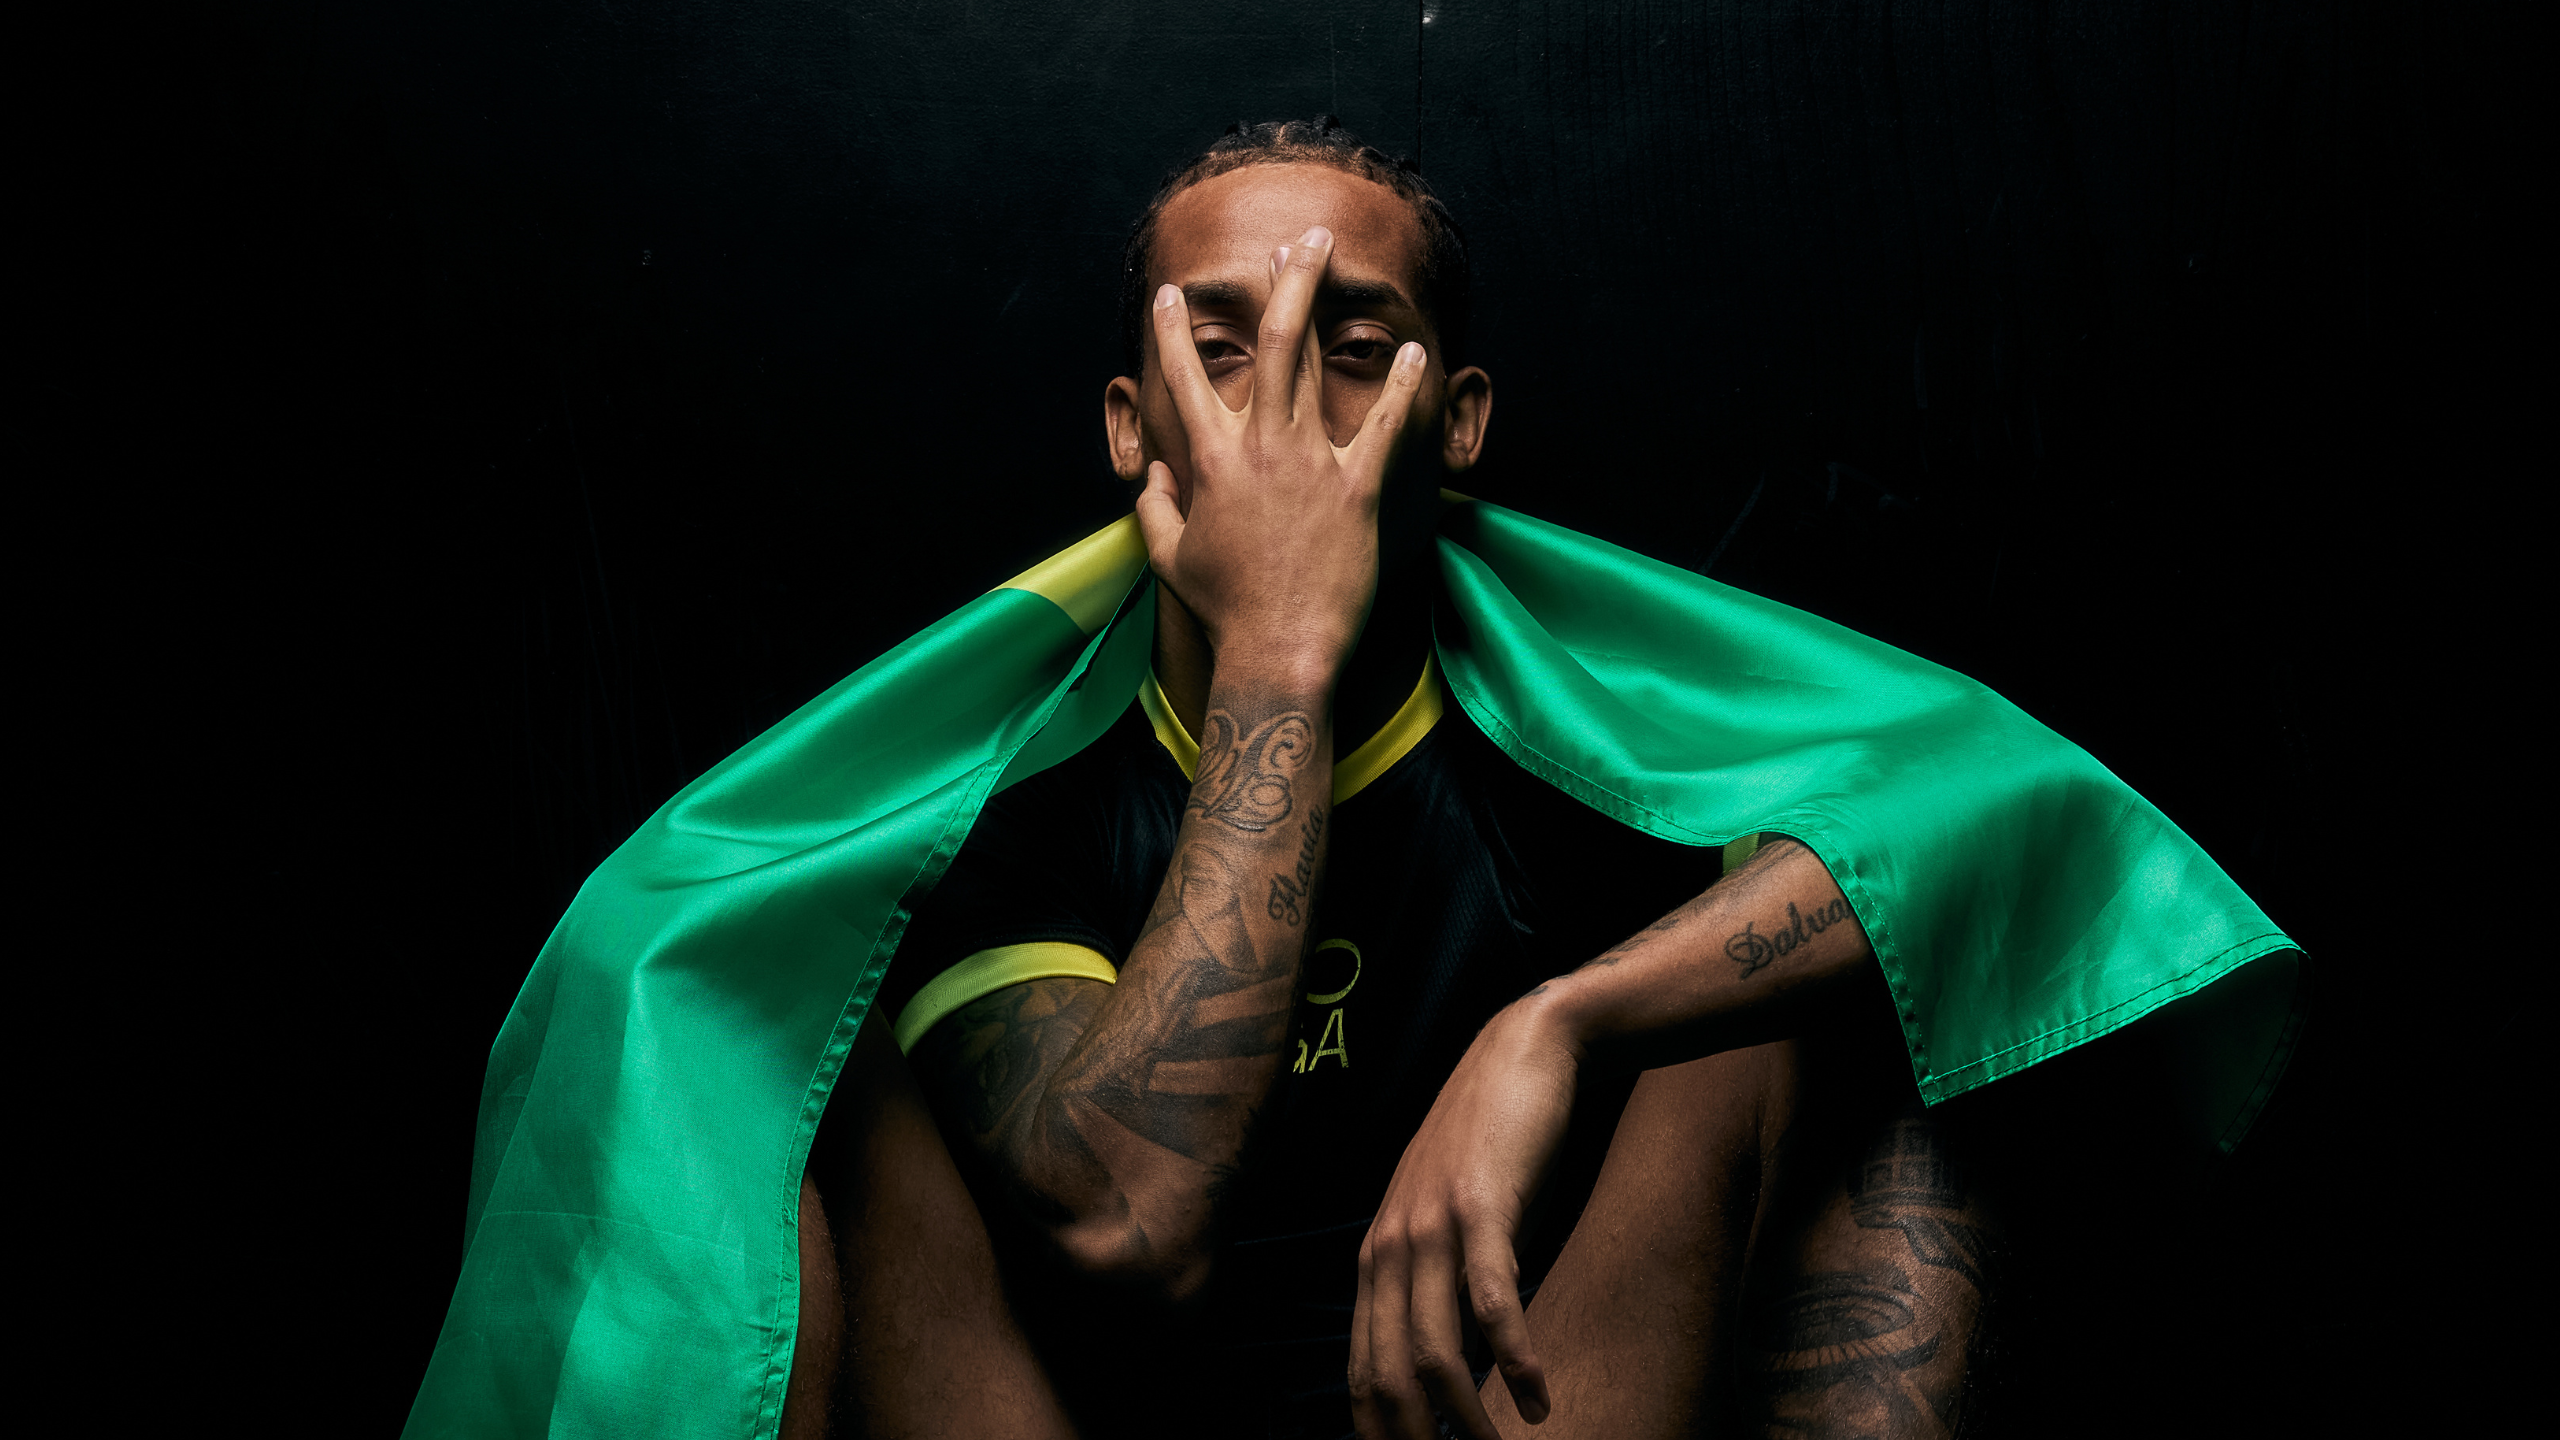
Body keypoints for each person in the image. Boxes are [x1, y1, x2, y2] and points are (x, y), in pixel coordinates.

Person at [406, 117, 2297, 1440]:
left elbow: (2001, 823)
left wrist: (1563, 1023)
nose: (1278, 416)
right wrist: (1279, 658)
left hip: (1507, 1414)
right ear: (1135, 434)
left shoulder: (1589, 752)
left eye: (1352, 348)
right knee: (802, 1067)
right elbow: (1131, 1218)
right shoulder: (1005, 813)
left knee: (1836, 998)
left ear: (1454, 425)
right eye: (1219, 353)